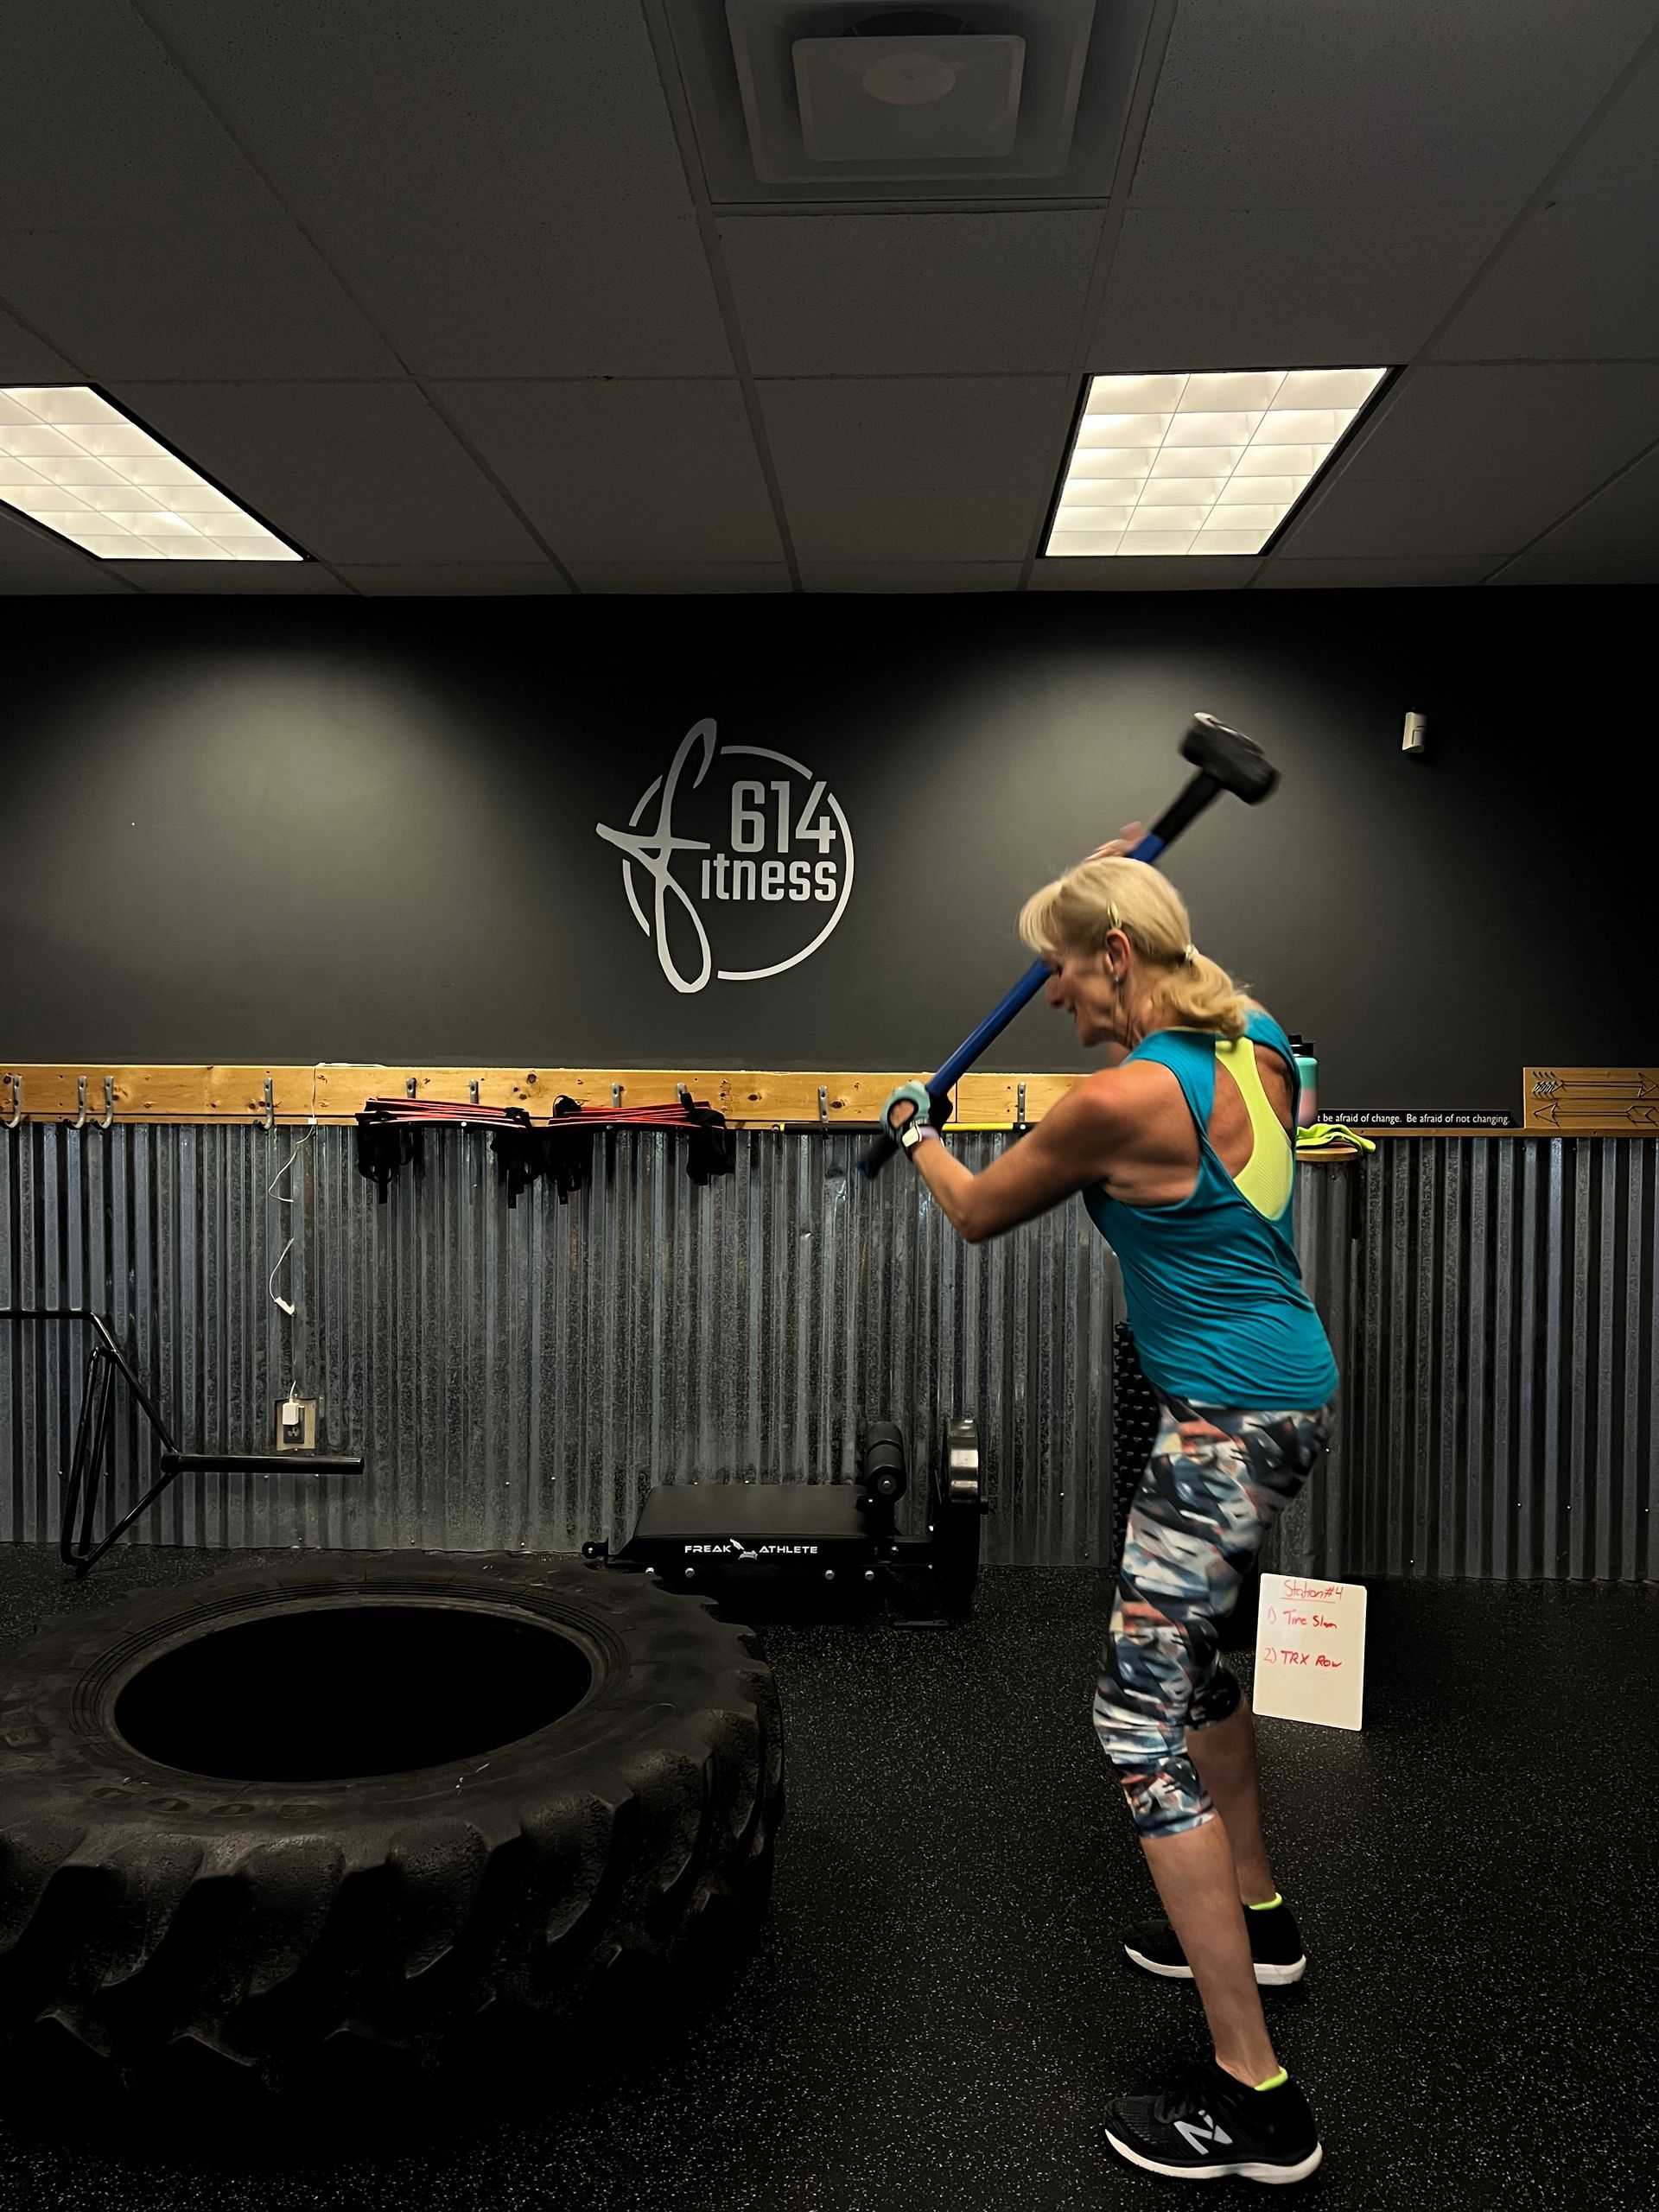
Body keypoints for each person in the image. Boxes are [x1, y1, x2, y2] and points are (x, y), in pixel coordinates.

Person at [881, 831, 1338, 2188]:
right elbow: (1211, 982)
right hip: (1292, 1394)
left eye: (1067, 975)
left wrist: (915, 1130)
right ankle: (1259, 1917)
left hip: (1220, 1430)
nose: (1060, 1002)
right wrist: (1108, 899)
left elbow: (974, 1211)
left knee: (1134, 1720)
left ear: (1117, 959)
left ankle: (1256, 2100)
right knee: (1198, 1676)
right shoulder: (1256, 1043)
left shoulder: (1121, 1103)